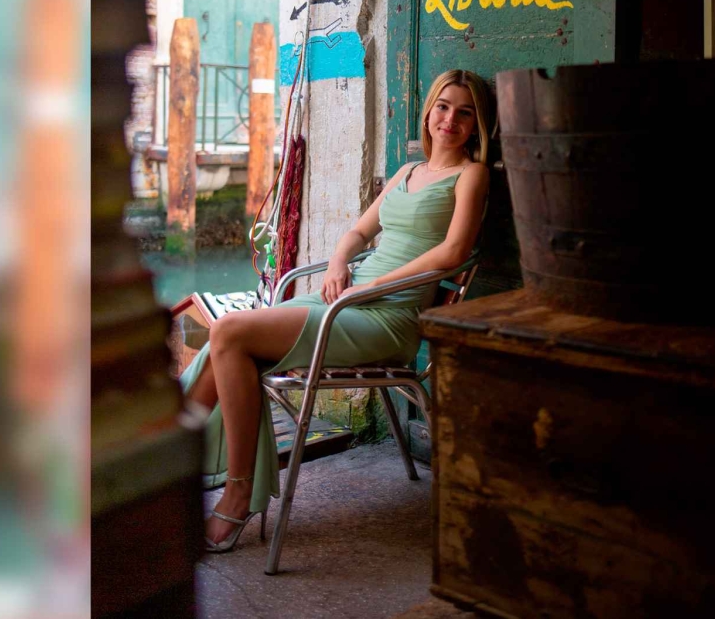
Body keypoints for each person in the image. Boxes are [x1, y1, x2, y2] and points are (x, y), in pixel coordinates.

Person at [179, 69, 496, 552]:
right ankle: (166, 472)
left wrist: (374, 287)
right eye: (443, 106)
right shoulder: (408, 172)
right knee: (228, 341)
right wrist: (338, 264)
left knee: (229, 332)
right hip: (348, 301)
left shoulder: (472, 175)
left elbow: (454, 252)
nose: (450, 120)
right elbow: (358, 232)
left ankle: (235, 492)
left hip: (387, 317)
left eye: (464, 112)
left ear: (477, 125)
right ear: (429, 111)